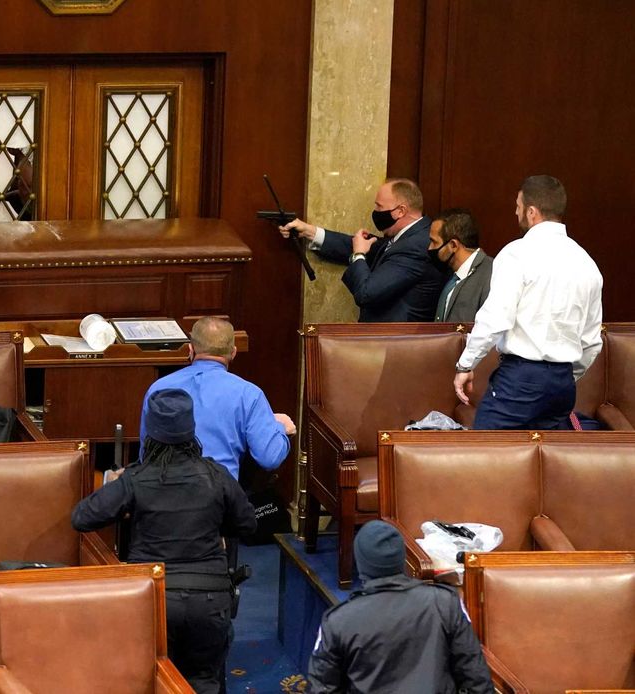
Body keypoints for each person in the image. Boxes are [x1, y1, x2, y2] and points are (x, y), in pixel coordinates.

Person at [73, 389, 256, 694]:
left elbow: (82, 518)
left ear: (150, 433)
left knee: (152, 681)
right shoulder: (217, 476)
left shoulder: (135, 479)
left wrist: (124, 497)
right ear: (191, 430)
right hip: (209, 600)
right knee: (204, 681)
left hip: (154, 597)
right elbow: (248, 524)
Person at [455, 175, 603, 430]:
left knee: (484, 457)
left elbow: (495, 318)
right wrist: (563, 376)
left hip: (521, 380)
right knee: (545, 463)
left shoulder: (517, 254)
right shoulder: (587, 263)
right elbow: (591, 342)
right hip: (563, 384)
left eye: (518, 206)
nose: (516, 212)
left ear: (532, 212)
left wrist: (466, 364)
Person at [307, 520, 493, 693]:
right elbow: (476, 678)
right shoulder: (445, 602)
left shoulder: (338, 621)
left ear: (361, 563)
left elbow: (321, 687)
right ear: (401, 559)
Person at [139, 316, 295, 482]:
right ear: (233, 352)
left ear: (190, 350)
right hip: (219, 500)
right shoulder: (249, 394)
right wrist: (280, 428)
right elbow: (269, 458)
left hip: (162, 497)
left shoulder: (158, 388)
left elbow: (146, 455)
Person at [281, 178, 445, 321]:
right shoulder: (407, 236)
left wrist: (358, 255)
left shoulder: (415, 246)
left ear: (401, 211)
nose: (375, 212)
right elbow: (357, 244)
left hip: (395, 345)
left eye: (379, 207)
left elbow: (367, 293)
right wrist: (310, 231)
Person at [428, 208, 493, 322]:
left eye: (434, 242)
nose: (430, 248)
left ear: (453, 245)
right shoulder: (449, 274)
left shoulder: (491, 276)